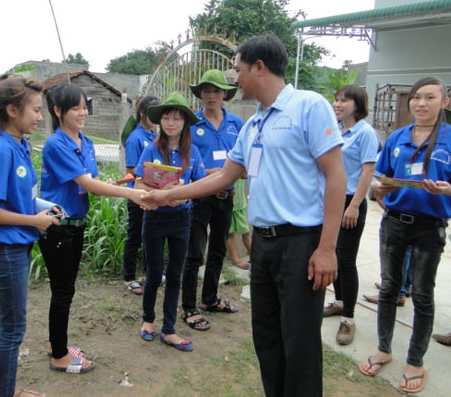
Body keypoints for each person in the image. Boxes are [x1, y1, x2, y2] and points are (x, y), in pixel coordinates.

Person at [141, 35, 346, 396]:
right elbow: (223, 177)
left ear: (259, 68)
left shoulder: (308, 107)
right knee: (266, 338)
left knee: (299, 343)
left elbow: (336, 175)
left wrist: (327, 247)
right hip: (263, 248)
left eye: (237, 70)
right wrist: (168, 194)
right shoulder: (254, 125)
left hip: (301, 245)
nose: (234, 78)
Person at [39, 83, 150, 373]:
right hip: (57, 226)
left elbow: (91, 183)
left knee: (65, 289)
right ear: (57, 111)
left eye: (84, 106)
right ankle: (59, 356)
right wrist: (133, 194)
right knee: (63, 290)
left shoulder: (85, 143)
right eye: (75, 107)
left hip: (76, 225)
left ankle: (56, 343)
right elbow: (87, 184)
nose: (82, 112)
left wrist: (111, 186)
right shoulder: (56, 144)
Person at [358, 76, 451, 394]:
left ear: (444, 102)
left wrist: (446, 189)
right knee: (388, 289)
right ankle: (384, 348)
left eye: (429, 98)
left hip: (429, 227)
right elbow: (379, 177)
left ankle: (415, 361)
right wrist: (379, 187)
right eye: (416, 98)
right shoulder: (397, 137)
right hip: (394, 223)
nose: (421, 104)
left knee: (423, 295)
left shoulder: (449, 140)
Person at [0, 74, 54, 397]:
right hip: (5, 249)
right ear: (11, 110)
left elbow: (19, 195)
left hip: (17, 245)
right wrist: (32, 219)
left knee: (5, 324)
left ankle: (5, 391)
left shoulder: (20, 145)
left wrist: (44, 210)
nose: (40, 116)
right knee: (13, 328)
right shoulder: (2, 151)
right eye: (34, 110)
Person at [134, 91, 207, 351]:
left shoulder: (194, 152)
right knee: (154, 273)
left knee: (175, 274)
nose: (171, 123)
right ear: (160, 121)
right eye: (166, 117)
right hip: (154, 218)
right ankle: (147, 321)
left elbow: (199, 183)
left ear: (185, 122)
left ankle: (169, 329)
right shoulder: (151, 149)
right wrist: (157, 195)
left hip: (181, 218)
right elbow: (138, 181)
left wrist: (181, 195)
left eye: (176, 118)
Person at [181, 69, 243, 332]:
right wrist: (212, 173)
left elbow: (243, 157)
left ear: (224, 94)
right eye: (206, 91)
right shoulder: (192, 123)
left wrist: (230, 175)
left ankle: (209, 299)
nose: (211, 95)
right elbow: (185, 162)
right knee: (195, 251)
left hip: (226, 196)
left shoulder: (236, 123)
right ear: (201, 94)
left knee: (218, 249)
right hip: (200, 197)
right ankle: (188, 307)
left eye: (216, 91)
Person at [322, 85, 379, 345]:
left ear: (357, 104)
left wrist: (355, 205)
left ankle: (349, 319)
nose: (337, 104)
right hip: (332, 199)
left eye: (344, 100)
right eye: (336, 99)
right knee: (331, 255)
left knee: (345, 261)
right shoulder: (336, 129)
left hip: (350, 201)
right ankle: (339, 302)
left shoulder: (365, 133)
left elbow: (367, 172)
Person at [121, 95, 161, 295]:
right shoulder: (135, 138)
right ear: (143, 113)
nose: (157, 118)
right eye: (153, 114)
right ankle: (129, 277)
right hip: (137, 195)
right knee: (135, 236)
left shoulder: (154, 136)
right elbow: (131, 171)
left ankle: (149, 272)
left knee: (150, 236)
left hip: (152, 194)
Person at [225, 177, 251, 269]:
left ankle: (253, 256)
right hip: (227, 205)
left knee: (246, 232)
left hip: (240, 204)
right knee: (230, 234)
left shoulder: (241, 165)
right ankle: (235, 258)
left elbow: (246, 175)